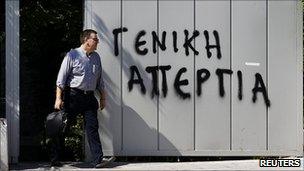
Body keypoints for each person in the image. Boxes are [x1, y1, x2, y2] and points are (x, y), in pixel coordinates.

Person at [51, 29, 115, 168]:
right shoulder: (72, 55)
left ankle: (97, 160)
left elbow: (100, 81)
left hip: (89, 98)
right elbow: (60, 80)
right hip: (73, 97)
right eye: (95, 39)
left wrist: (103, 98)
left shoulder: (96, 57)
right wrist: (58, 98)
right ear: (87, 40)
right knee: (63, 127)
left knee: (92, 127)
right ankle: (55, 158)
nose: (97, 41)